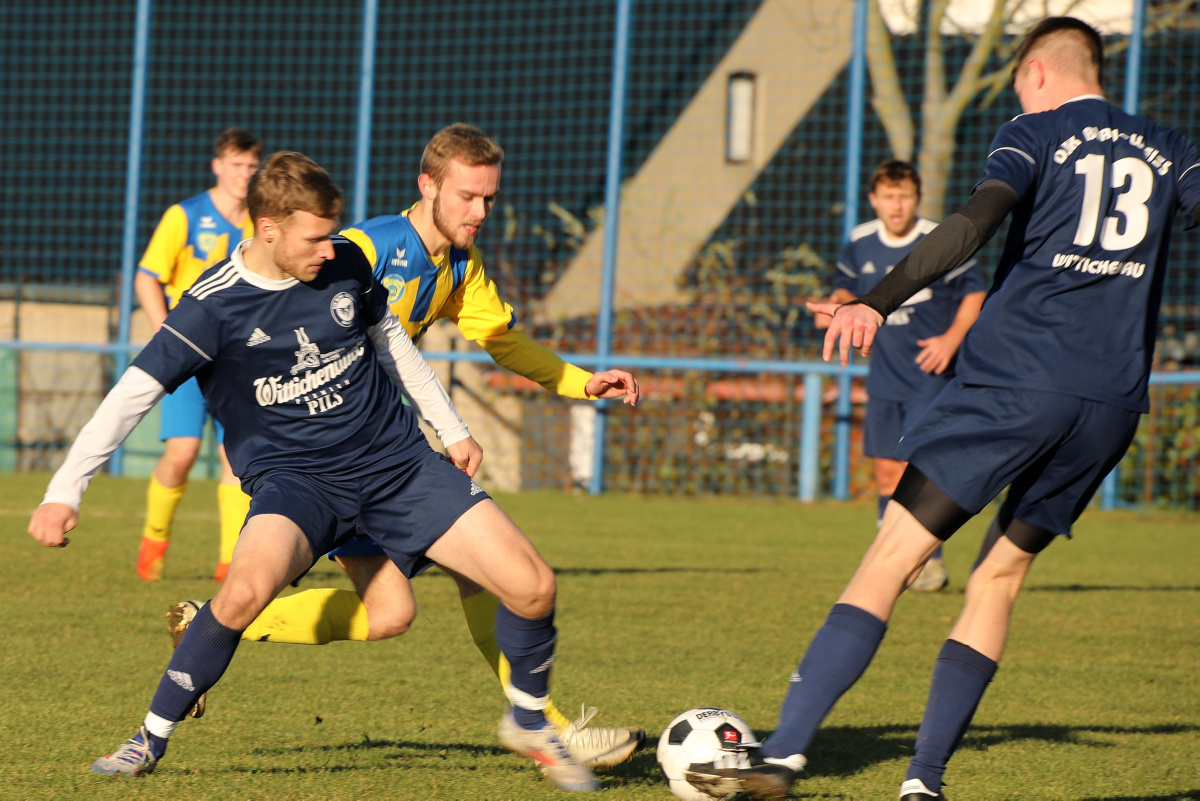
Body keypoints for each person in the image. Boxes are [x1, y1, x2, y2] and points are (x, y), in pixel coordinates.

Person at [685, 17, 1200, 800]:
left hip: (1014, 385)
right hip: (1110, 404)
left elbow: (969, 225)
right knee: (999, 577)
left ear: (1034, 72)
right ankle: (922, 781)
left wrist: (876, 300)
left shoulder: (1037, 134)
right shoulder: (1173, 147)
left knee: (891, 553)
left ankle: (784, 753)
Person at [28, 152, 603, 793]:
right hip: (297, 483)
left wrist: (452, 427)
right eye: (314, 238)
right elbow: (129, 398)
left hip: (396, 466)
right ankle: (147, 739)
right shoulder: (209, 308)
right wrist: (63, 491)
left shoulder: (346, 264)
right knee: (243, 595)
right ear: (268, 230)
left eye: (332, 234)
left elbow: (393, 344)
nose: (329, 250)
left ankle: (528, 720)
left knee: (531, 586)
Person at [165, 122, 645, 769]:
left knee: (393, 612)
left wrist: (583, 382)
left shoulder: (459, 269)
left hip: (386, 454)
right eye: (469, 197)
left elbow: (503, 341)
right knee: (485, 580)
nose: (480, 212)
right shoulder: (366, 245)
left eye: (489, 200)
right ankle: (545, 728)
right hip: (329, 462)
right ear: (429, 187)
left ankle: (218, 621)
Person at [822, 160, 986, 592]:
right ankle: (890, 558)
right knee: (884, 474)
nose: (897, 206)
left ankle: (928, 559)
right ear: (874, 200)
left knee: (919, 468)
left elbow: (975, 291)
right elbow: (846, 288)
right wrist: (835, 305)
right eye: (889, 197)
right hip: (884, 375)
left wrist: (951, 339)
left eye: (905, 197)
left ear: (916, 198)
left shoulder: (938, 238)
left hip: (929, 376)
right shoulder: (860, 241)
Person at [133, 128, 261, 583]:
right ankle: (153, 542)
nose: (243, 175)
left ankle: (230, 562)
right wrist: (168, 333)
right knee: (182, 452)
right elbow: (147, 277)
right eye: (236, 165)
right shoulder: (184, 216)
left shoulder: (260, 223)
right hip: (189, 360)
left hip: (237, 363)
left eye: (251, 167)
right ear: (217, 165)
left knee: (236, 460)